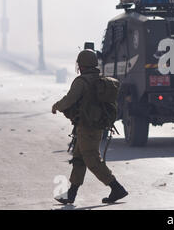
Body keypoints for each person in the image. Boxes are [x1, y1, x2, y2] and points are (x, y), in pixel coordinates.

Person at [52, 49, 128, 205]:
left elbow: (70, 99)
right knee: (79, 159)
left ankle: (116, 188)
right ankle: (71, 195)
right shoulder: (98, 80)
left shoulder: (82, 82)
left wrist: (57, 106)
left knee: (92, 160)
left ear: (82, 65)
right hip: (93, 126)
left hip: (87, 128)